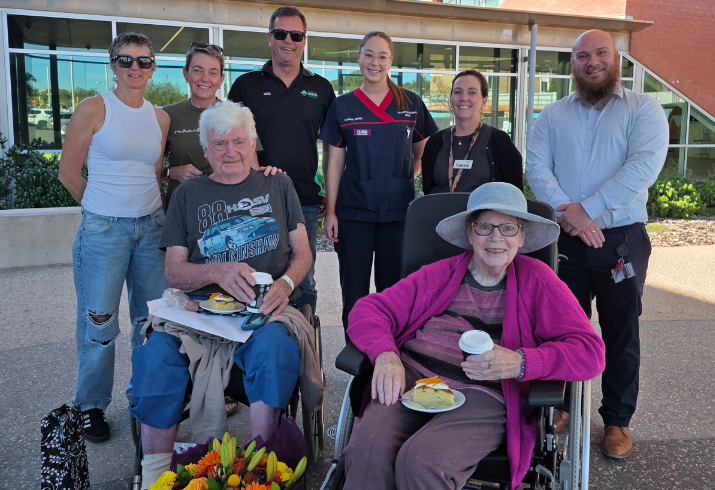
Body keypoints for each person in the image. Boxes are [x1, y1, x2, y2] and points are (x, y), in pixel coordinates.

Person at [342, 182, 605, 490]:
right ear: (469, 233)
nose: (496, 238)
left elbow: (589, 352)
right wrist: (385, 354)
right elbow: (369, 309)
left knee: (422, 462)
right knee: (365, 451)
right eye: (484, 227)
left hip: (483, 393)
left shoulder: (539, 282)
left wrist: (521, 362)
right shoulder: (439, 274)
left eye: (508, 227)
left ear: (522, 235)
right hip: (413, 379)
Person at [128, 101, 313, 488]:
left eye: (238, 142)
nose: (230, 152)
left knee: (276, 350)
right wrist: (216, 271)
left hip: (263, 310)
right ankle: (154, 477)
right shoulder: (188, 194)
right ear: (206, 147)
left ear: (253, 143)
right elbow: (174, 270)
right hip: (197, 315)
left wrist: (285, 285)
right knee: (155, 356)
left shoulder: (278, 184)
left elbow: (303, 252)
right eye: (220, 144)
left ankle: (259, 473)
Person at [525, 29, 669, 459]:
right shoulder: (552, 115)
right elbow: (537, 168)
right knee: (561, 328)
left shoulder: (644, 110)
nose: (592, 62)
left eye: (600, 53)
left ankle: (617, 421)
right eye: (582, 56)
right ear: (572, 64)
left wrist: (588, 211)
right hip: (564, 238)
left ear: (616, 58)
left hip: (621, 240)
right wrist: (571, 215)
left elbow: (641, 168)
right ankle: (563, 405)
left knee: (621, 332)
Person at [58, 32, 169, 443]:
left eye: (143, 61)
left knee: (150, 320)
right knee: (99, 322)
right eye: (126, 61)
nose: (135, 68)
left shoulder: (160, 118)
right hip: (104, 231)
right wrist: (101, 211)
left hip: (150, 228)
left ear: (153, 67)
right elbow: (68, 173)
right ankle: (90, 405)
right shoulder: (93, 108)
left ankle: (142, 396)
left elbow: (154, 175)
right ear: (113, 65)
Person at [320, 31, 439, 330]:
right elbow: (334, 163)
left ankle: (389, 360)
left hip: (398, 215)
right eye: (369, 54)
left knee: (393, 293)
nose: (375, 62)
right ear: (359, 57)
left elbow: (422, 155)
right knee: (355, 294)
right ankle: (357, 366)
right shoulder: (343, 106)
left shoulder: (411, 103)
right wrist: (331, 212)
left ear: (391, 61)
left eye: (382, 56)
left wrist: (397, 181)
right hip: (354, 214)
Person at [227, 6, 335, 315]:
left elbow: (333, 149)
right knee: (253, 277)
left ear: (304, 40)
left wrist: (327, 191)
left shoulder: (321, 88)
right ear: (269, 37)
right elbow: (231, 139)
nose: (288, 40)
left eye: (296, 35)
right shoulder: (246, 85)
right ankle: (257, 350)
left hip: (303, 199)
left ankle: (306, 357)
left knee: (304, 281)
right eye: (280, 33)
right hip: (253, 198)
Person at [421, 69, 523, 194]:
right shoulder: (434, 142)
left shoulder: (500, 142)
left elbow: (515, 196)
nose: (464, 98)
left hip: (481, 213)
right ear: (451, 100)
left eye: (472, 92)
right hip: (441, 213)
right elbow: (427, 191)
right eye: (458, 92)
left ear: (483, 102)